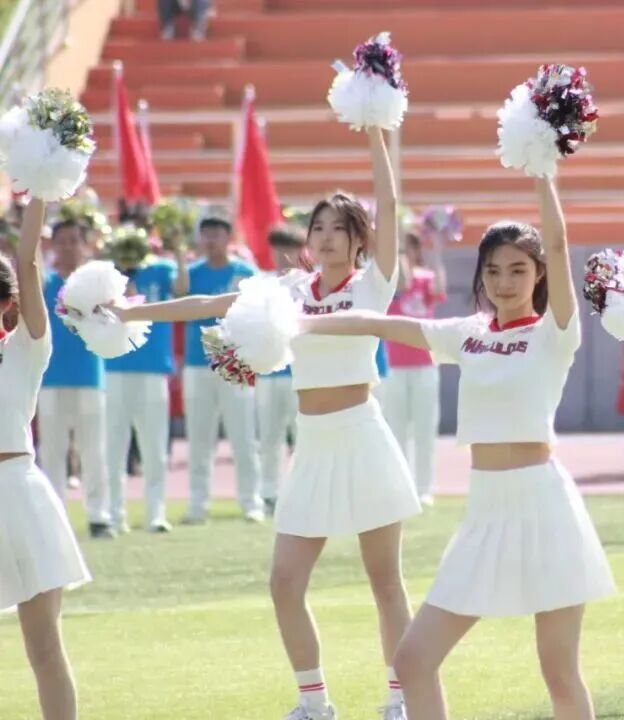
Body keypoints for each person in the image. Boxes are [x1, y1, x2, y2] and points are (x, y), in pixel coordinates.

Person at [113, 127, 419, 720]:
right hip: (313, 445)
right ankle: (314, 703)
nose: (325, 237)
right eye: (318, 227)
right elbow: (209, 305)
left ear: (360, 238)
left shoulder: (373, 283)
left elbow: (388, 199)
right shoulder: (288, 289)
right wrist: (130, 313)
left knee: (385, 582)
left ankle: (400, 699)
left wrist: (376, 127)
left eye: (339, 228)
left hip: (363, 435)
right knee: (284, 581)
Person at [298, 177, 615, 720]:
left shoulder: (555, 333)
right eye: (492, 270)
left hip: (545, 508)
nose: (504, 282)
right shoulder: (467, 333)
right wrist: (291, 322)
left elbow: (560, 244)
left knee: (559, 672)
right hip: (485, 512)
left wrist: (543, 173)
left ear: (539, 274)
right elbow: (377, 322)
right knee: (414, 660)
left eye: (518, 269)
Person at [1, 197, 91, 720]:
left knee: (43, 648)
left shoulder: (26, 348)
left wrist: (39, 188)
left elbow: (28, 261)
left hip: (20, 492)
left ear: (7, 304)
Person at [179, 214, 264, 524]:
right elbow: (179, 299)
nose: (211, 240)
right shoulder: (190, 274)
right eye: (207, 235)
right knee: (200, 438)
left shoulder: (245, 272)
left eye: (217, 234)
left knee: (243, 436)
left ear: (229, 238)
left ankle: (251, 502)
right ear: (200, 239)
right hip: (198, 359)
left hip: (232, 356)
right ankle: (198, 504)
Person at [103, 230, 189, 534]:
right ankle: (115, 515)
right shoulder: (107, 276)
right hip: (114, 368)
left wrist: (178, 252)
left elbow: (182, 289)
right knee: (113, 447)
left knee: (154, 447)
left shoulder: (162, 269)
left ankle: (156, 514)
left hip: (153, 369)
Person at [37, 217, 111, 538]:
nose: (68, 247)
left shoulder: (97, 287)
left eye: (74, 240)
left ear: (84, 245)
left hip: (89, 375)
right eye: (62, 241)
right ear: (52, 246)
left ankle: (99, 516)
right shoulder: (43, 284)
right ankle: (55, 517)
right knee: (52, 451)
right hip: (50, 377)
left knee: (93, 449)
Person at [378, 229, 447, 506]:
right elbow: (403, 282)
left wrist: (437, 252)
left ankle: (424, 488)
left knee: (424, 430)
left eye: (410, 247)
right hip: (394, 367)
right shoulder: (390, 281)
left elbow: (439, 289)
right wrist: (396, 249)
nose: (406, 252)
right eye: (402, 247)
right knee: (396, 430)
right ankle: (400, 487)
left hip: (424, 365)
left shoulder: (426, 278)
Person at [256, 225, 305, 514]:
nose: (283, 256)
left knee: (304, 439)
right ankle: (269, 494)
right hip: (269, 372)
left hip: (301, 374)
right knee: (269, 438)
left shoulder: (310, 284)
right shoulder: (261, 283)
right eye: (278, 249)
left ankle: (302, 493)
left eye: (289, 249)